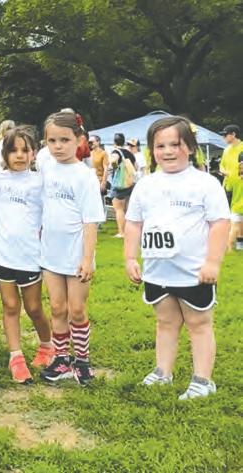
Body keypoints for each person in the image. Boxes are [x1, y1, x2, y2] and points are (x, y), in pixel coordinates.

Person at [124, 116, 230, 400]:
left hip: (194, 272)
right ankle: (163, 372)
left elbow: (220, 223)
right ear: (151, 150)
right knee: (165, 322)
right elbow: (133, 223)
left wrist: (212, 262)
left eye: (175, 144)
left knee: (199, 324)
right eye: (160, 146)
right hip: (158, 271)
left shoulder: (205, 183)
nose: (168, 151)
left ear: (191, 147)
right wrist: (130, 258)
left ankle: (202, 381)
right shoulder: (145, 185)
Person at [38, 111, 105, 386]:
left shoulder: (84, 176)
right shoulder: (45, 168)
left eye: (64, 140)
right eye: (52, 140)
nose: (58, 146)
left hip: (77, 253)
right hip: (50, 253)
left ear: (79, 140)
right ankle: (62, 359)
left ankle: (83, 360)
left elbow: (91, 221)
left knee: (76, 309)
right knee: (57, 308)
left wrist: (87, 259)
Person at [0, 127, 54, 384]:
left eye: (24, 150)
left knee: (34, 307)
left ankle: (47, 346)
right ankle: (16, 358)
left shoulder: (40, 182)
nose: (19, 155)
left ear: (33, 153)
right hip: (2, 254)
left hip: (30, 256)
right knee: (10, 306)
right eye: (13, 150)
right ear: (4, 154)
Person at [218, 124, 243, 250]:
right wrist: (224, 172)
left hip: (241, 185)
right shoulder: (226, 150)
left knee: (238, 214)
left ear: (233, 134)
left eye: (225, 135)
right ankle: (233, 243)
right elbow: (221, 166)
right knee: (232, 215)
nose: (223, 137)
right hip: (228, 186)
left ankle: (238, 242)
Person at [110, 133, 138, 238]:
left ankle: (122, 232)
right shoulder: (129, 153)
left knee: (119, 209)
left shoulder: (116, 152)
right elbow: (135, 167)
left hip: (119, 184)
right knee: (128, 209)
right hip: (130, 183)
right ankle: (130, 231)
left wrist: (115, 167)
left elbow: (113, 160)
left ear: (114, 142)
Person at [88, 135, 110, 210]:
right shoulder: (89, 153)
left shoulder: (103, 153)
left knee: (100, 203)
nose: (90, 143)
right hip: (90, 181)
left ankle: (102, 216)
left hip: (99, 180)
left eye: (92, 142)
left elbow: (106, 169)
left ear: (98, 142)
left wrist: (103, 183)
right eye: (89, 142)